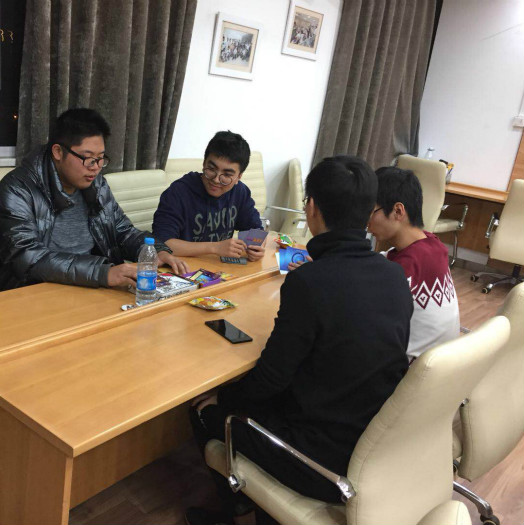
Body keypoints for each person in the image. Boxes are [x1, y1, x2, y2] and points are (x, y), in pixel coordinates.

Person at [186, 156, 413, 525]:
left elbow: (270, 380)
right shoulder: (394, 275)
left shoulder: (310, 282)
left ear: (311, 208)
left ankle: (238, 510)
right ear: (369, 211)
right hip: (375, 442)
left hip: (319, 459)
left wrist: (222, 398)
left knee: (202, 406)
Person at [0, 108, 186, 291]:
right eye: (88, 158)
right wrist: (102, 273)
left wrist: (155, 251)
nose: (95, 167)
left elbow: (123, 231)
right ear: (58, 152)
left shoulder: (97, 185)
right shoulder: (18, 189)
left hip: (88, 286)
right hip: (32, 290)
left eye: (100, 158)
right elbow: (27, 257)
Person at [367, 166, 460, 360]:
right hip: (441, 366)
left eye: (371, 211)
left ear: (398, 211)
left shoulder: (404, 269)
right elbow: (381, 259)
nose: (367, 223)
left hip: (409, 370)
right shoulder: (432, 245)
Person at [152, 131, 264, 262]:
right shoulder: (178, 192)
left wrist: (256, 247)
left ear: (239, 177)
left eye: (227, 175)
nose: (216, 180)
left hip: (219, 267)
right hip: (183, 267)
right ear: (204, 163)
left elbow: (256, 231)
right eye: (211, 169)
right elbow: (161, 244)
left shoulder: (240, 192)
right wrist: (215, 247)